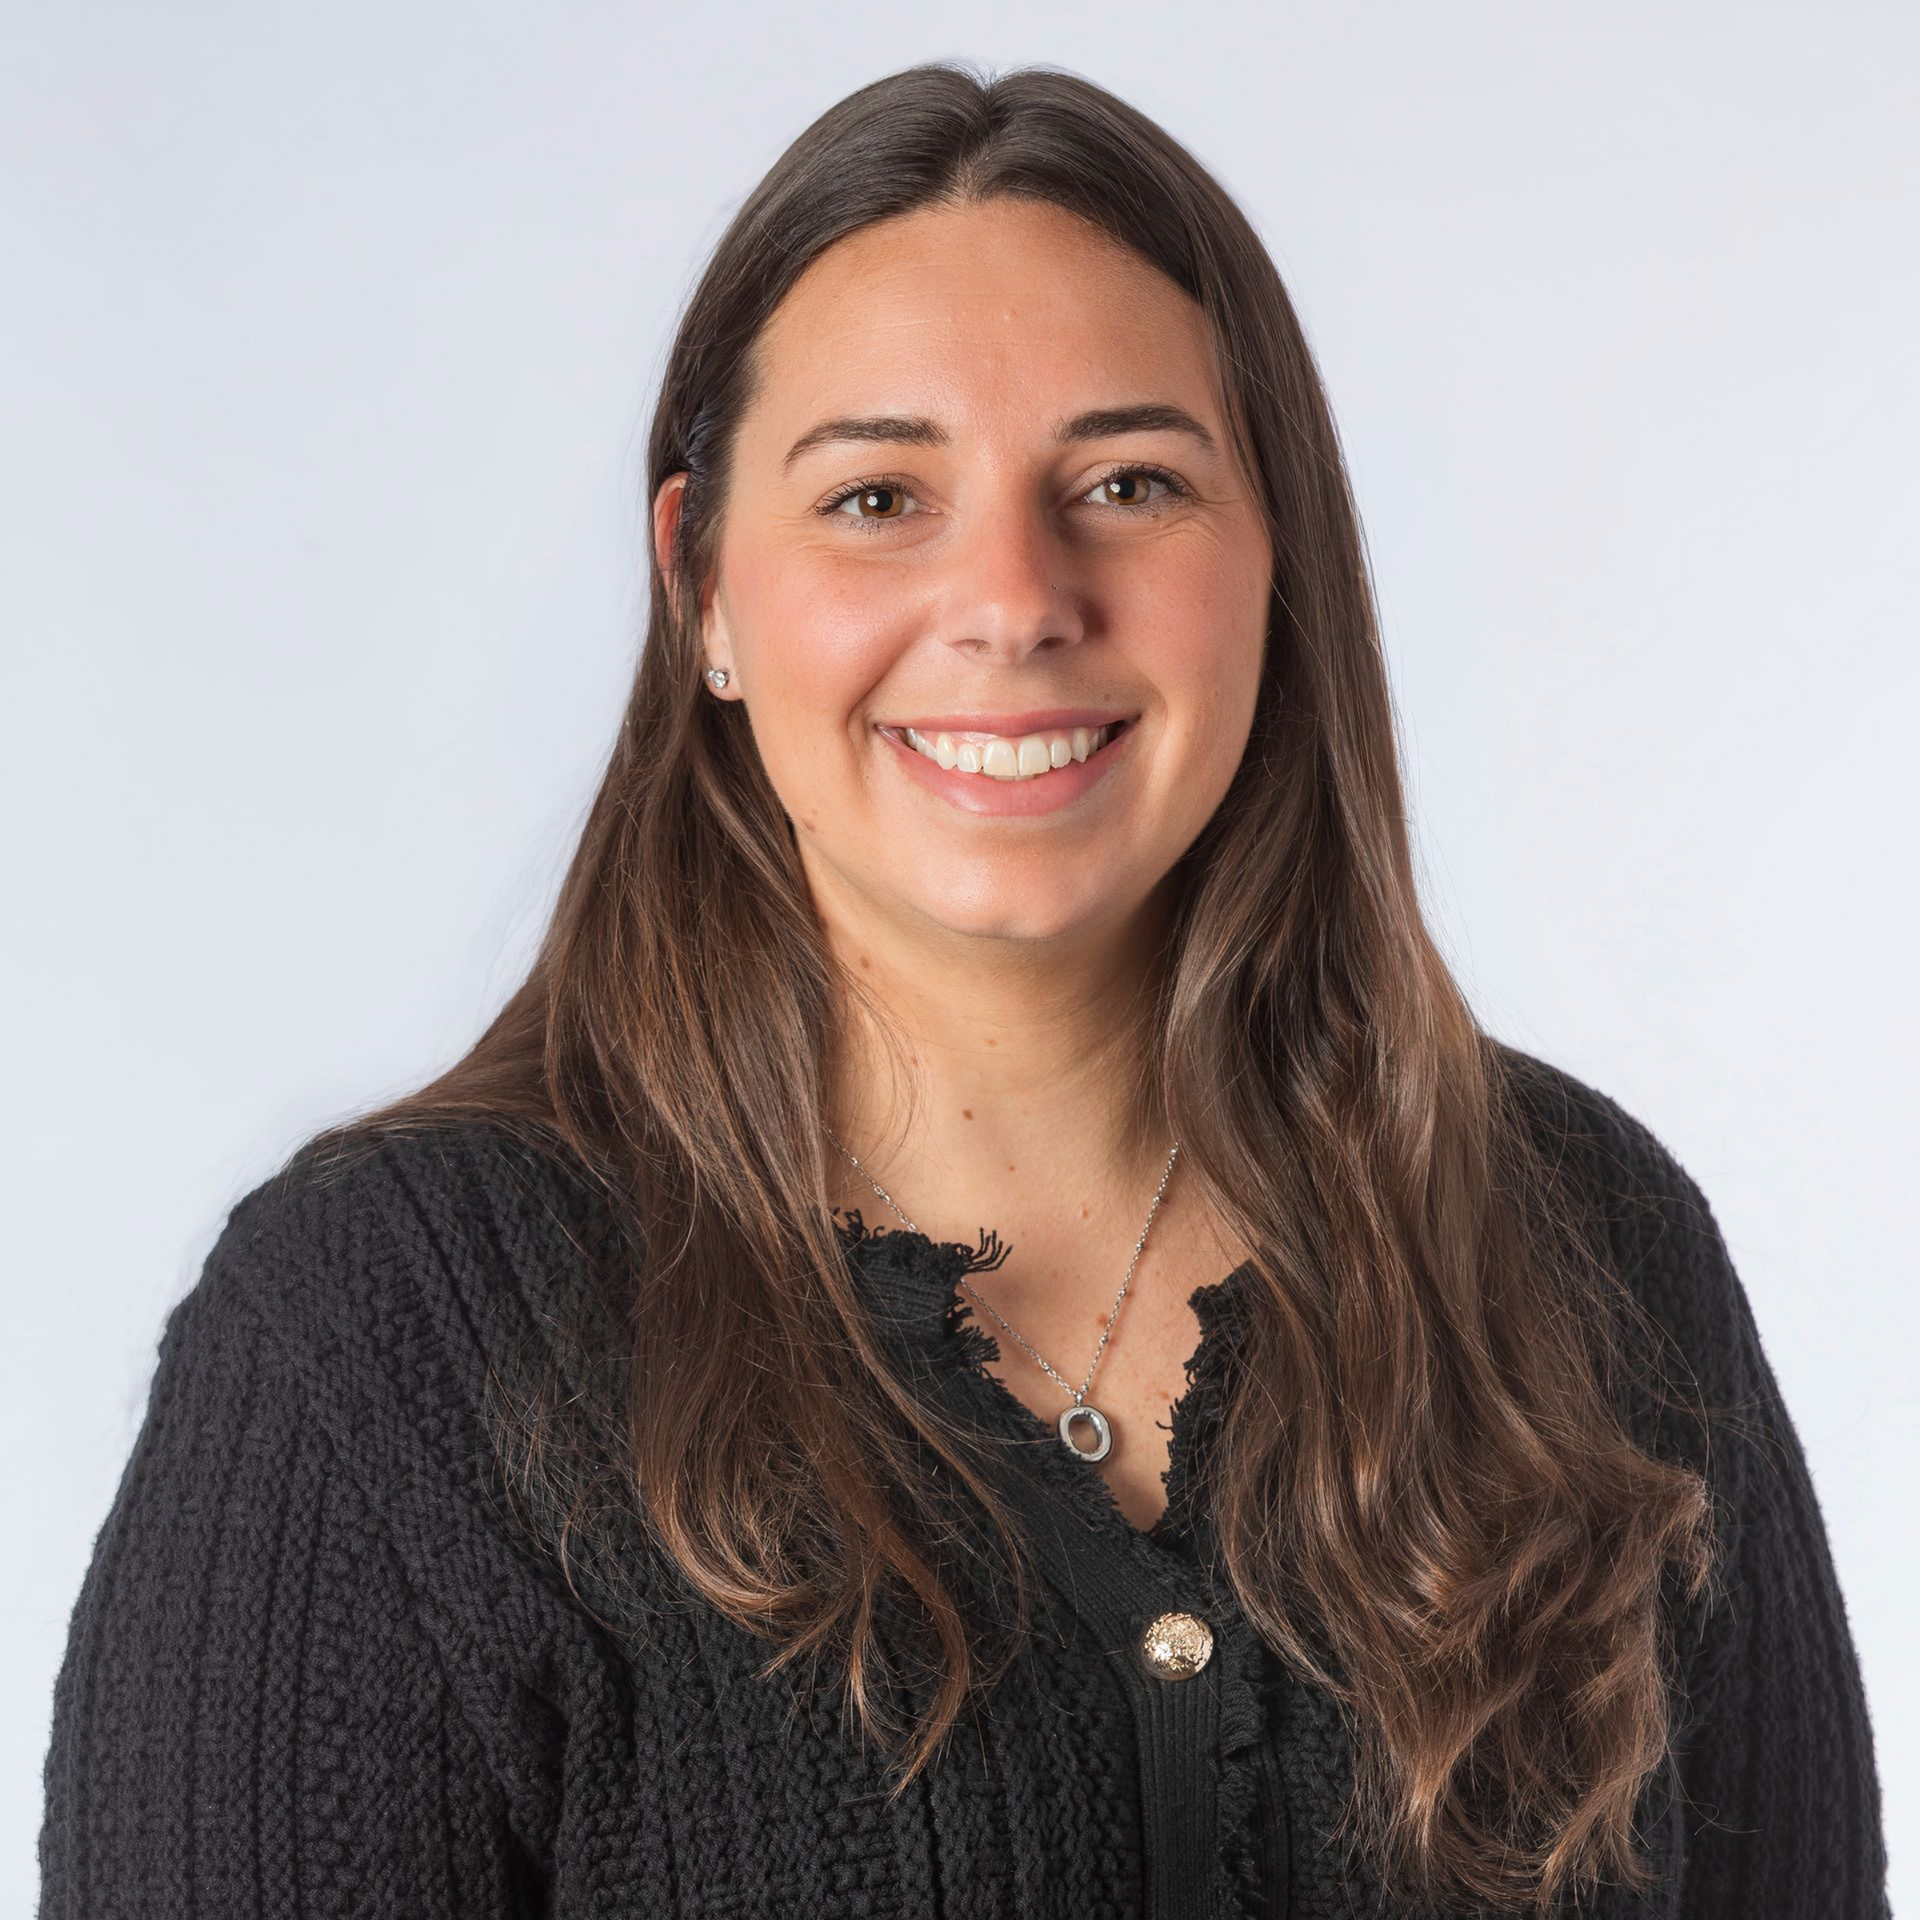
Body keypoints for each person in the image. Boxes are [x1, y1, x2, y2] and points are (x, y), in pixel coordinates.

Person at [36, 60, 1890, 1920]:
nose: (1013, 598)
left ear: (1278, 557)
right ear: (703, 589)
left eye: (1128, 481)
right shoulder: (381, 1341)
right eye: (877, 497)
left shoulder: (1583, 1246)